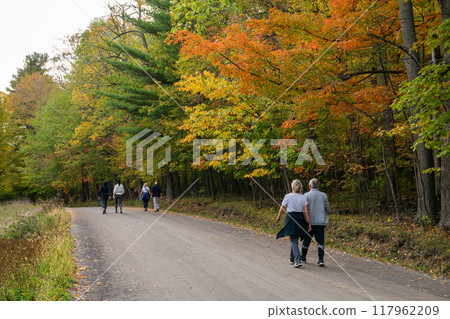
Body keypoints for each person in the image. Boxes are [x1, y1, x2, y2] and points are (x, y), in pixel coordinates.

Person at [276, 179, 311, 268]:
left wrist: (279, 216)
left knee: (294, 240)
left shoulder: (288, 196)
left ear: (292, 187)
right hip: (300, 219)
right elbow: (306, 212)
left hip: (291, 219)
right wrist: (309, 223)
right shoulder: (303, 197)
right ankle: (292, 258)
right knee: (294, 239)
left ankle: (298, 260)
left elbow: (282, 208)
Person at [302, 178, 330, 267]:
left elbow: (303, 210)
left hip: (309, 222)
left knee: (306, 240)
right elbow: (328, 209)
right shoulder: (324, 195)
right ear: (318, 185)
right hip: (321, 222)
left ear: (310, 186)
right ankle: (321, 259)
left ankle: (303, 257)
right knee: (320, 241)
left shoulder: (306, 195)